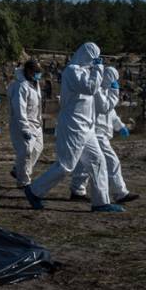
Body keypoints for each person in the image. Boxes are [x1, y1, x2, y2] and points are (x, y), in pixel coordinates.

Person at [24, 42, 125, 213]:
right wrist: (98, 69)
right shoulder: (72, 71)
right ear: (86, 56)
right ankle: (34, 191)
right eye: (94, 58)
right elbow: (90, 88)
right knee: (66, 165)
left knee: (97, 161)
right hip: (73, 126)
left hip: (88, 128)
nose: (96, 61)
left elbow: (98, 102)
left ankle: (101, 202)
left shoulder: (87, 72)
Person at [70, 66, 140, 204]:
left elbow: (111, 114)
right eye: (114, 79)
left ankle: (77, 190)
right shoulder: (97, 92)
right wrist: (115, 91)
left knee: (84, 163)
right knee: (112, 161)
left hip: (97, 133)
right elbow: (105, 107)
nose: (116, 82)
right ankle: (120, 193)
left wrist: (120, 126)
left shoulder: (104, 92)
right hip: (96, 133)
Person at [8, 60, 44, 187]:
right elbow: (19, 108)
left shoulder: (35, 83)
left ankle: (18, 170)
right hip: (24, 124)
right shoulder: (21, 86)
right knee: (26, 152)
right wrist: (24, 128)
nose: (38, 75)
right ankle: (24, 182)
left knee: (37, 149)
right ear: (29, 71)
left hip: (36, 124)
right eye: (36, 72)